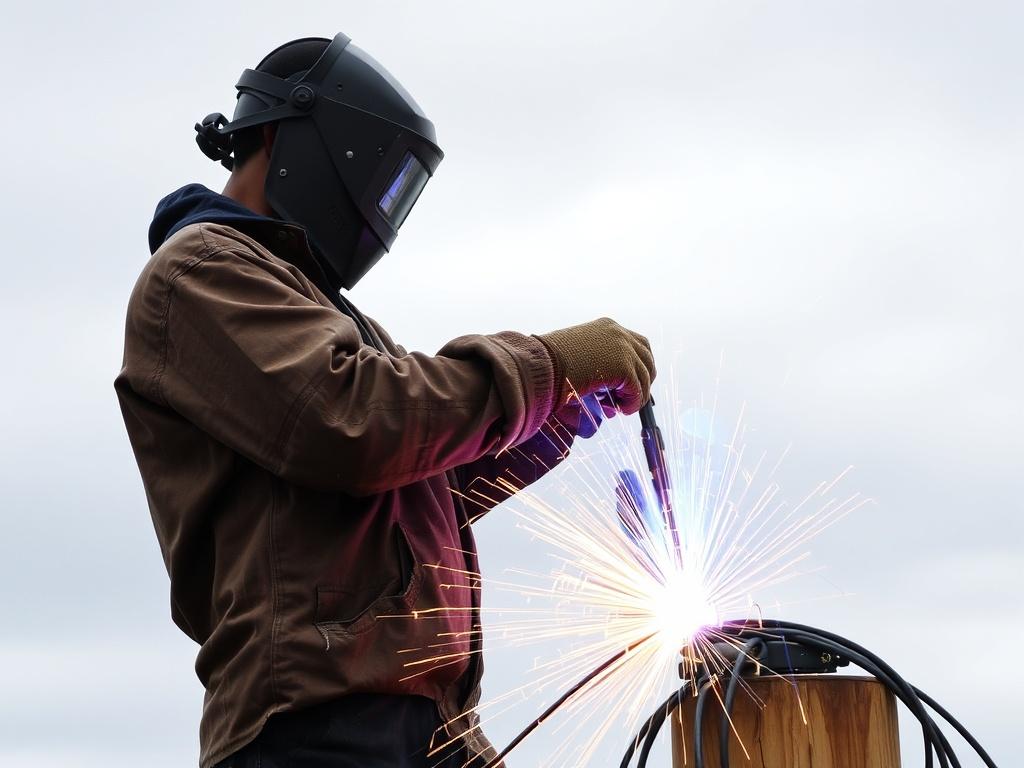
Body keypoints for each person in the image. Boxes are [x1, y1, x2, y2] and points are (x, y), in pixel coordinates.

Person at [115, 33, 656, 768]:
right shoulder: (201, 272)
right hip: (314, 726)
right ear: (286, 138)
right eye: (379, 179)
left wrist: (556, 419)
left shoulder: (324, 314)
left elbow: (416, 481)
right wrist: (550, 364)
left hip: (424, 723)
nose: (379, 211)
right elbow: (358, 423)